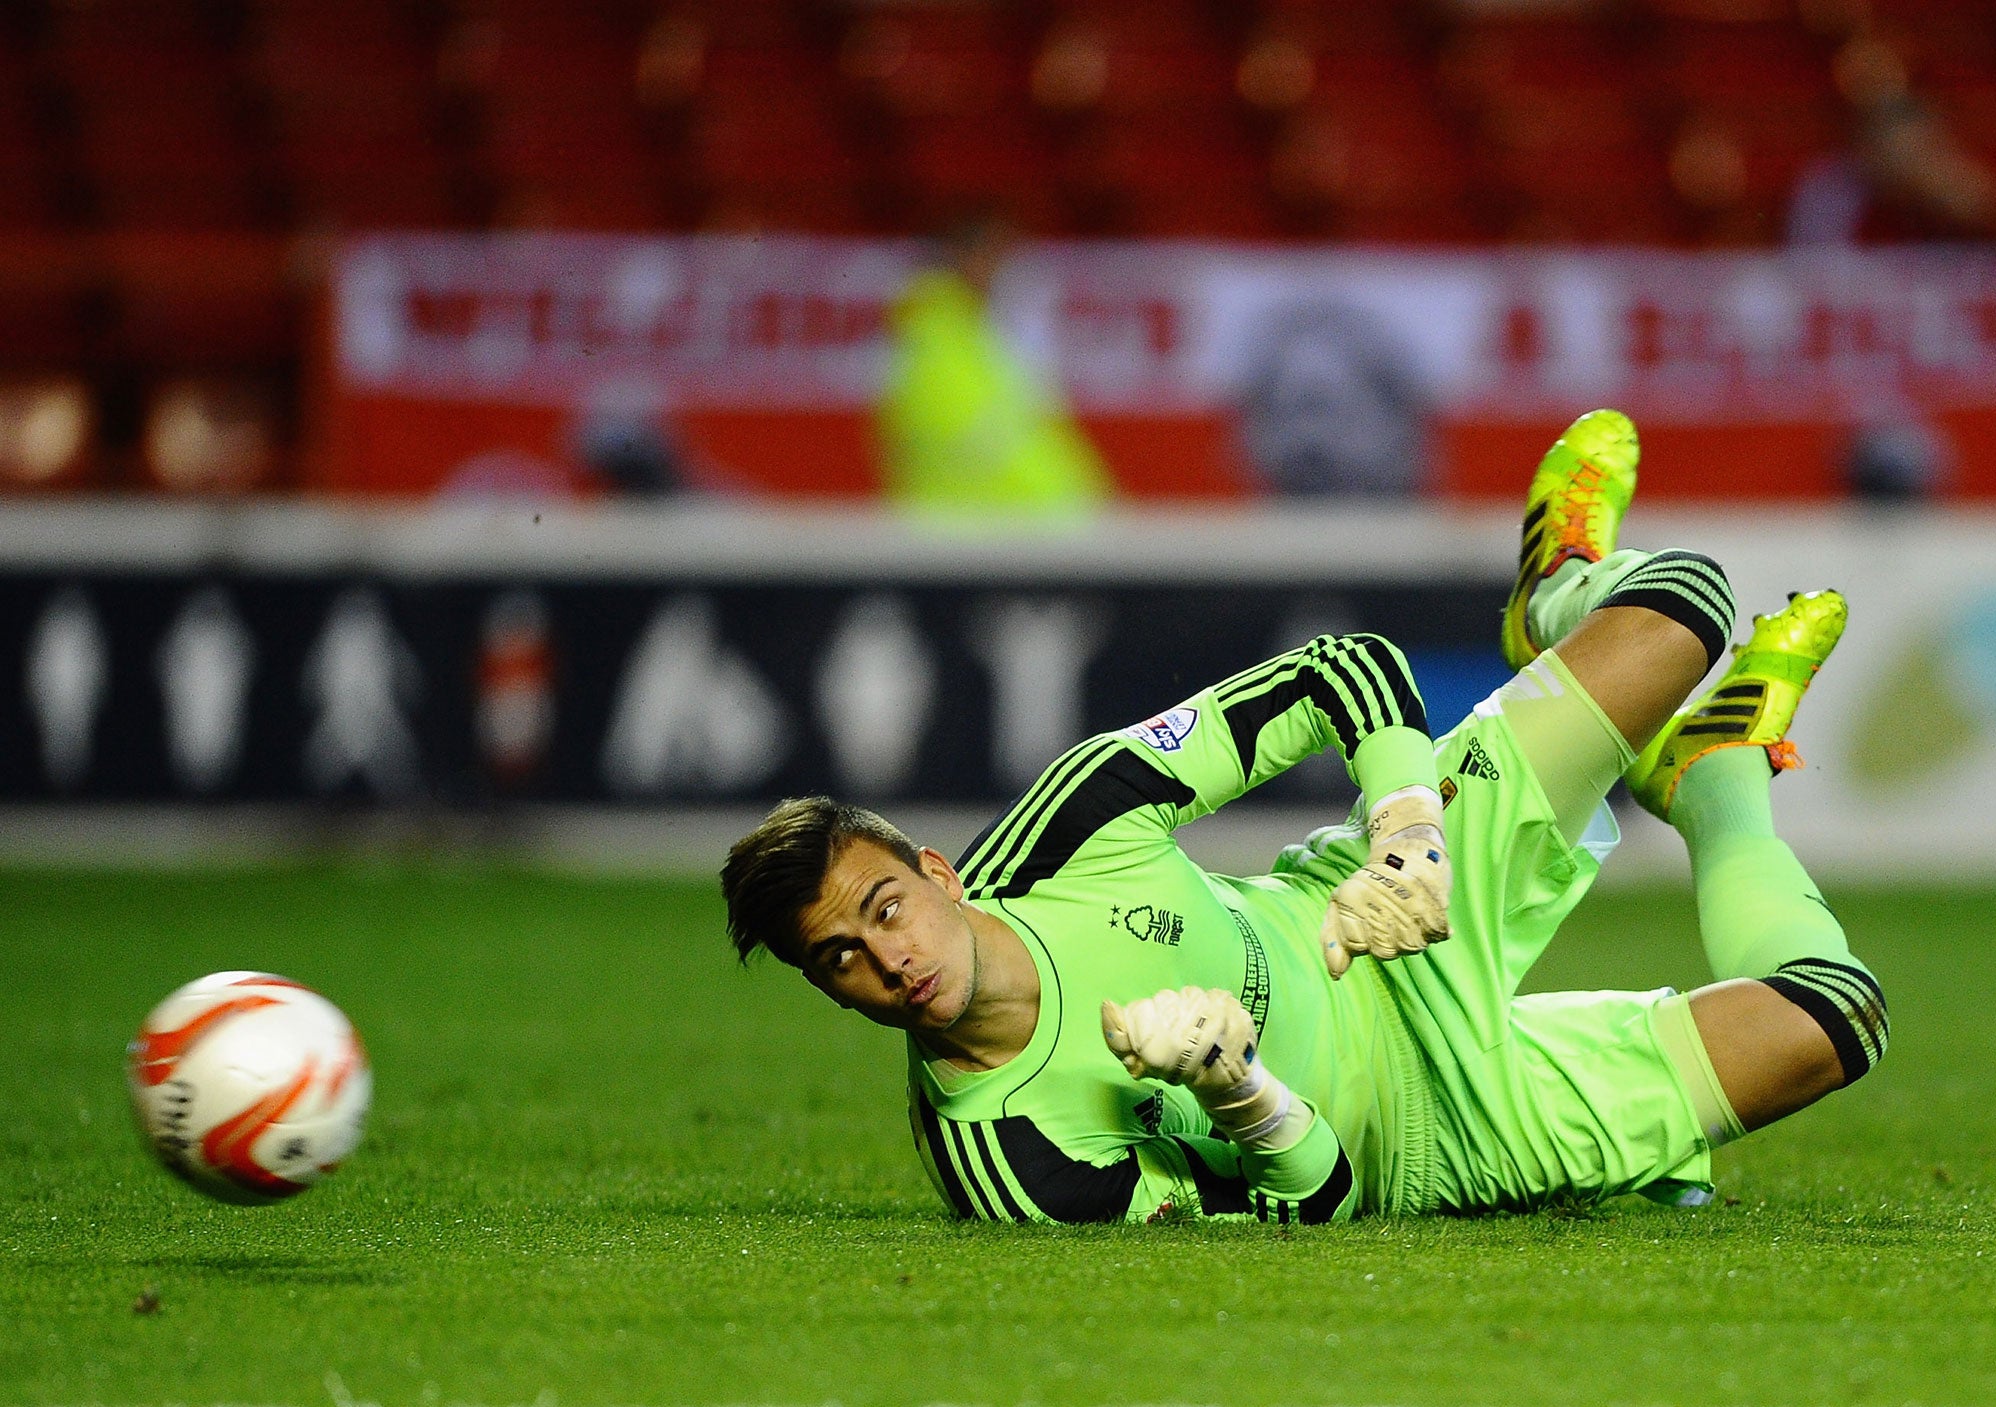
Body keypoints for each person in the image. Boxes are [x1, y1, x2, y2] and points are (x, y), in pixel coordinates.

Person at [720, 411, 1887, 1222]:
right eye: (842, 960)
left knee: (1682, 598)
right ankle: (1718, 778)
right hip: (1444, 1135)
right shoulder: (1012, 1164)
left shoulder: (1064, 830)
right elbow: (1316, 1202)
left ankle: (1547, 597)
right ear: (826, 990)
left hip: (1368, 905)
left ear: (937, 870)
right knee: (1837, 1021)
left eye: (884, 908)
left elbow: (1344, 668)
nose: (890, 959)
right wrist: (1236, 1085)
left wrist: (1404, 835)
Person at [876, 214, 1113, 518]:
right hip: (972, 548)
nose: (1014, 270)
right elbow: (994, 456)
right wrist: (1080, 522)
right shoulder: (931, 347)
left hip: (1005, 543)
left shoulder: (973, 338)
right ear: (971, 259)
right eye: (1003, 257)